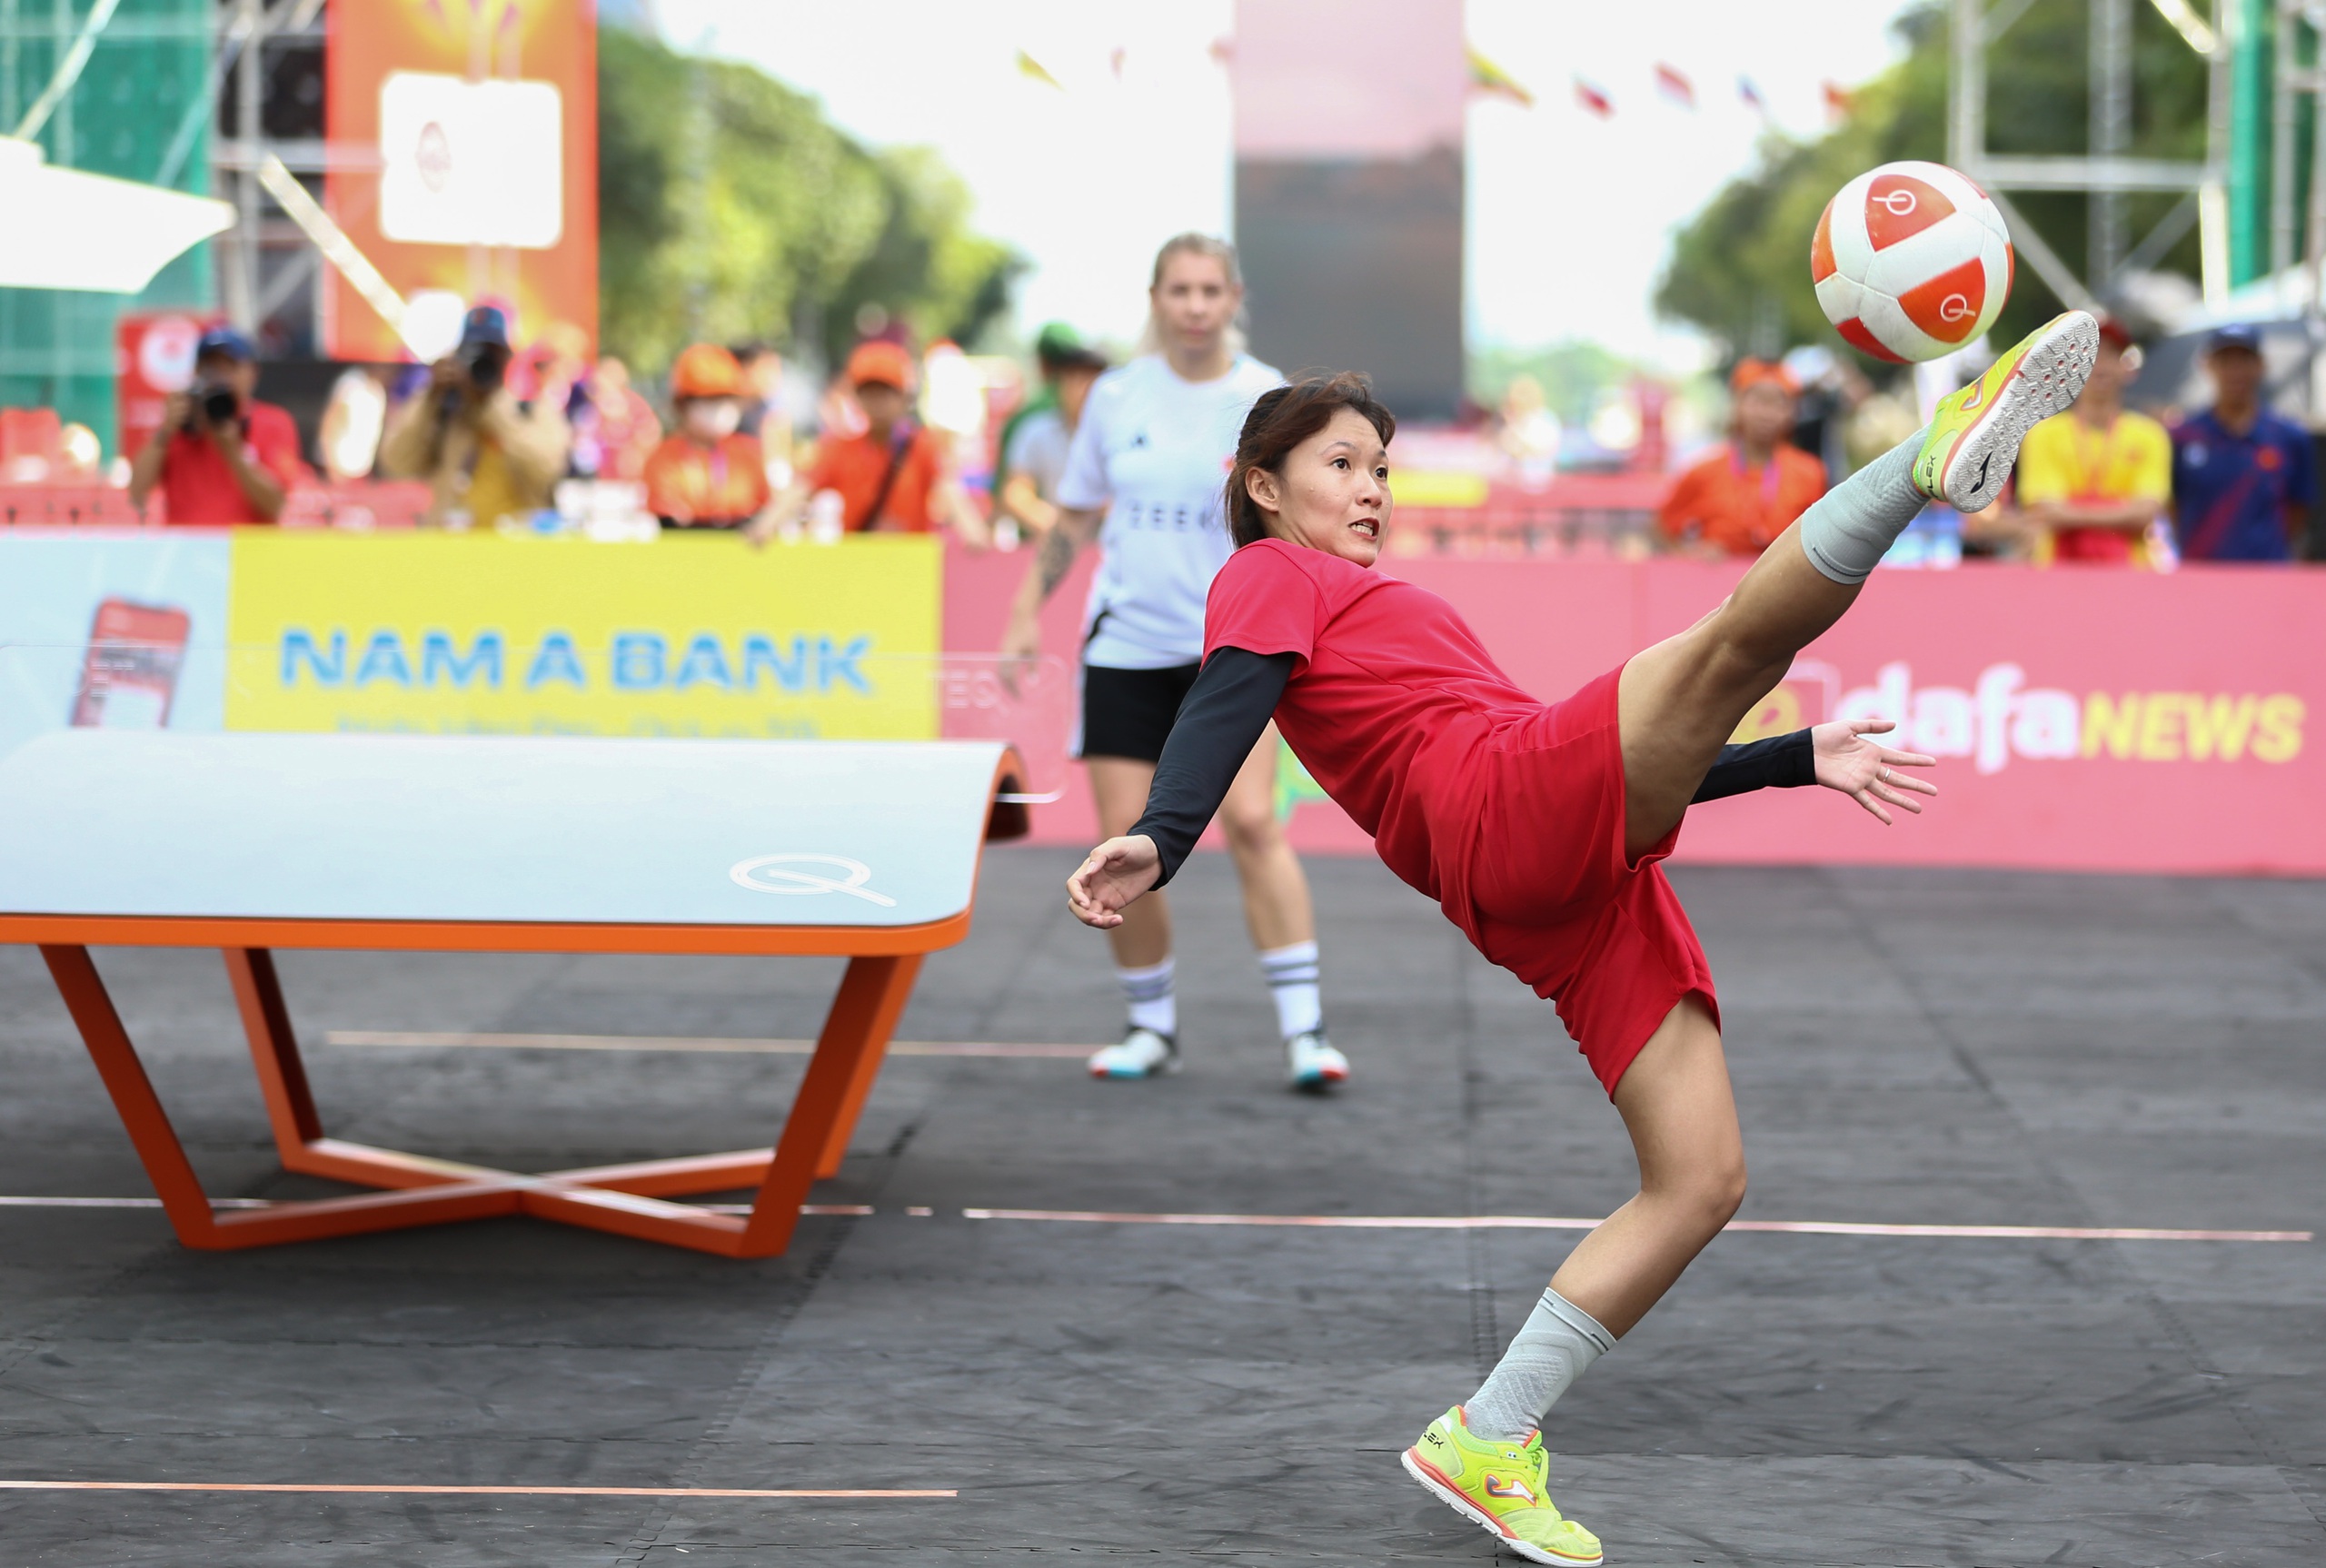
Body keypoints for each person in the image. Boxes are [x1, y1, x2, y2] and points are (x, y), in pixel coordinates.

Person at [1068, 313, 2098, 1563]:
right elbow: (1227, 696)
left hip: (1564, 872)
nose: (1372, 488)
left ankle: (1490, 1435)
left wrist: (1789, 759)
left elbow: (1635, 768)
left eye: (1382, 469)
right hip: (1500, 803)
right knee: (1733, 644)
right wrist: (1164, 836)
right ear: (1263, 485)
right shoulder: (1269, 571)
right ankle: (1926, 460)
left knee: (1703, 1178)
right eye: (1342, 464)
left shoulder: (1371, 592)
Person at [1000, 232, 1346, 1090]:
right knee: (1128, 848)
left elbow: (1303, 523)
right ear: (1156, 299)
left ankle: (1306, 1035)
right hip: (1123, 648)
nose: (1194, 307)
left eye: (1209, 291)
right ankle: (1150, 1027)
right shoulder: (1117, 397)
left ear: (1234, 299)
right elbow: (1075, 516)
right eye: (1179, 291)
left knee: (1255, 824)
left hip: (1231, 653)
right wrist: (1021, 616)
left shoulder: (1268, 397)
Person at [749, 341, 988, 544]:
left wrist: (972, 530)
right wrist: (766, 525)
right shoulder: (838, 448)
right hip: (858, 567)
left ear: (905, 397)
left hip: (912, 568)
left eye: (886, 392)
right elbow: (802, 488)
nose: (877, 401)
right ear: (856, 397)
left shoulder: (925, 445)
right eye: (869, 392)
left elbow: (949, 488)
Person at [379, 305, 572, 529]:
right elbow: (396, 464)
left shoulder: (531, 411)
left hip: (512, 552)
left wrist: (491, 408)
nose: (484, 362)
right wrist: (429, 398)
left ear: (508, 358)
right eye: (474, 353)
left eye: (492, 353)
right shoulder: (447, 411)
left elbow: (547, 470)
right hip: (452, 552)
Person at [2011, 315, 2171, 566]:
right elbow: (2043, 510)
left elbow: (2147, 512)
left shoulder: (2150, 435)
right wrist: (2122, 512)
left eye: (2110, 354)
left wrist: (2070, 511)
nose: (2100, 365)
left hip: (2130, 574)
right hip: (2057, 572)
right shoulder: (2043, 433)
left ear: (2127, 367)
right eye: (2089, 355)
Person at [127, 325, 307, 525]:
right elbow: (137, 493)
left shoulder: (272, 423)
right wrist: (165, 432)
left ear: (252, 373)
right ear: (196, 373)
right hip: (187, 551)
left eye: (230, 367)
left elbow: (276, 504)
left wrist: (233, 451)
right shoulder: (181, 423)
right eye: (211, 368)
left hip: (245, 552)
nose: (220, 377)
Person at [2170, 323, 2317, 562]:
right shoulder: (2184, 436)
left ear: (2261, 365)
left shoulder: (2289, 437)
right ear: (2209, 365)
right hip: (2200, 577)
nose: (2235, 371)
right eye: (2226, 361)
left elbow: (2298, 512)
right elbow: (2172, 507)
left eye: (2244, 360)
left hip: (2267, 578)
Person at [1657, 360, 1827, 559]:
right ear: (1737, 405)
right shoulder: (1703, 471)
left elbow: (1823, 541)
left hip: (1785, 585)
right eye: (1757, 401)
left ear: (1792, 412)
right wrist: (1688, 555)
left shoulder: (1811, 473)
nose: (1767, 413)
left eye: (1778, 403)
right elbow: (1661, 530)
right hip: (1717, 586)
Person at [642, 343, 771, 530]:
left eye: (727, 399)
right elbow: (667, 514)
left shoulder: (748, 455)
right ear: (683, 406)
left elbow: (763, 509)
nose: (720, 409)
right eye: (710, 400)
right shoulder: (663, 458)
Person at [996, 331, 1108, 542]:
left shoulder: (1120, 434)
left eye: (1091, 378)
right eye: (1075, 377)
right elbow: (1016, 492)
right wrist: (1056, 525)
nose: (1083, 388)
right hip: (1051, 544)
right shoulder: (1035, 431)